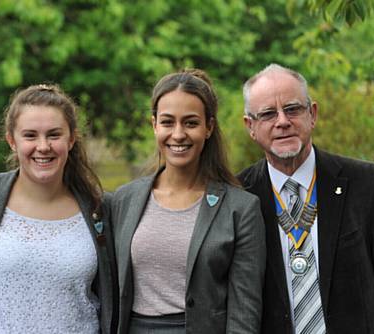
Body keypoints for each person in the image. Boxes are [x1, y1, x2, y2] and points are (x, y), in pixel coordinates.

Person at [238, 63, 374, 334]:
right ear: (250, 126)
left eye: (293, 109)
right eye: (268, 114)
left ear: (313, 114)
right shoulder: (239, 195)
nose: (282, 121)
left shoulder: (367, 184)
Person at [110, 69, 265, 333]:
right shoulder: (123, 200)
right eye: (168, 122)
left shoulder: (240, 208)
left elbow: (244, 312)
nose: (178, 134)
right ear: (154, 125)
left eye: (191, 123)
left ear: (209, 127)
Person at [0, 84, 117, 334]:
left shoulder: (101, 208)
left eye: (54, 135)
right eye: (30, 135)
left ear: (72, 139)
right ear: (12, 140)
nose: (43, 146)